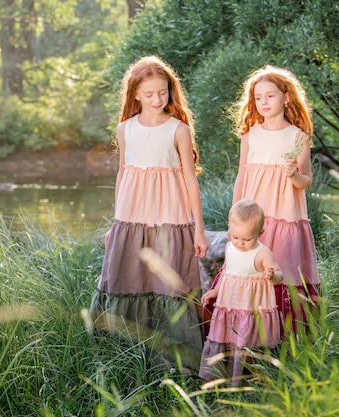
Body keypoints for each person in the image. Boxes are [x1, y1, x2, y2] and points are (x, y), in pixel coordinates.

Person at [89, 55, 209, 374]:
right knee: (127, 278)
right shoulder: (125, 129)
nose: (157, 99)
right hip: (130, 220)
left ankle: (177, 361)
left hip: (170, 220)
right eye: (149, 93)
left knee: (169, 285)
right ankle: (124, 356)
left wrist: (198, 229)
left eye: (163, 92)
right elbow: (123, 175)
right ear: (136, 95)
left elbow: (190, 181)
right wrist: (116, 225)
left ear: (170, 91)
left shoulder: (178, 130)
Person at [232, 65, 320, 338]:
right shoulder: (251, 135)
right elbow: (241, 177)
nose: (264, 102)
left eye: (270, 96)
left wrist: (293, 174)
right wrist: (234, 219)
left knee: (282, 272)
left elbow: (306, 181)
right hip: (254, 219)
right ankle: (249, 335)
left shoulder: (298, 137)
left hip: (285, 217)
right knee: (250, 271)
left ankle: (286, 337)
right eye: (258, 98)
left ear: (286, 97)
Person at [199, 199, 282, 386]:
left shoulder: (262, 254)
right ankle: (222, 376)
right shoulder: (230, 248)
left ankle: (252, 377)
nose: (240, 243)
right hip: (229, 306)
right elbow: (227, 274)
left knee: (246, 341)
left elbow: (279, 275)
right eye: (236, 237)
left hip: (250, 309)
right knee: (227, 338)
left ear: (260, 233)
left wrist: (272, 275)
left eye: (246, 239)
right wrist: (215, 291)